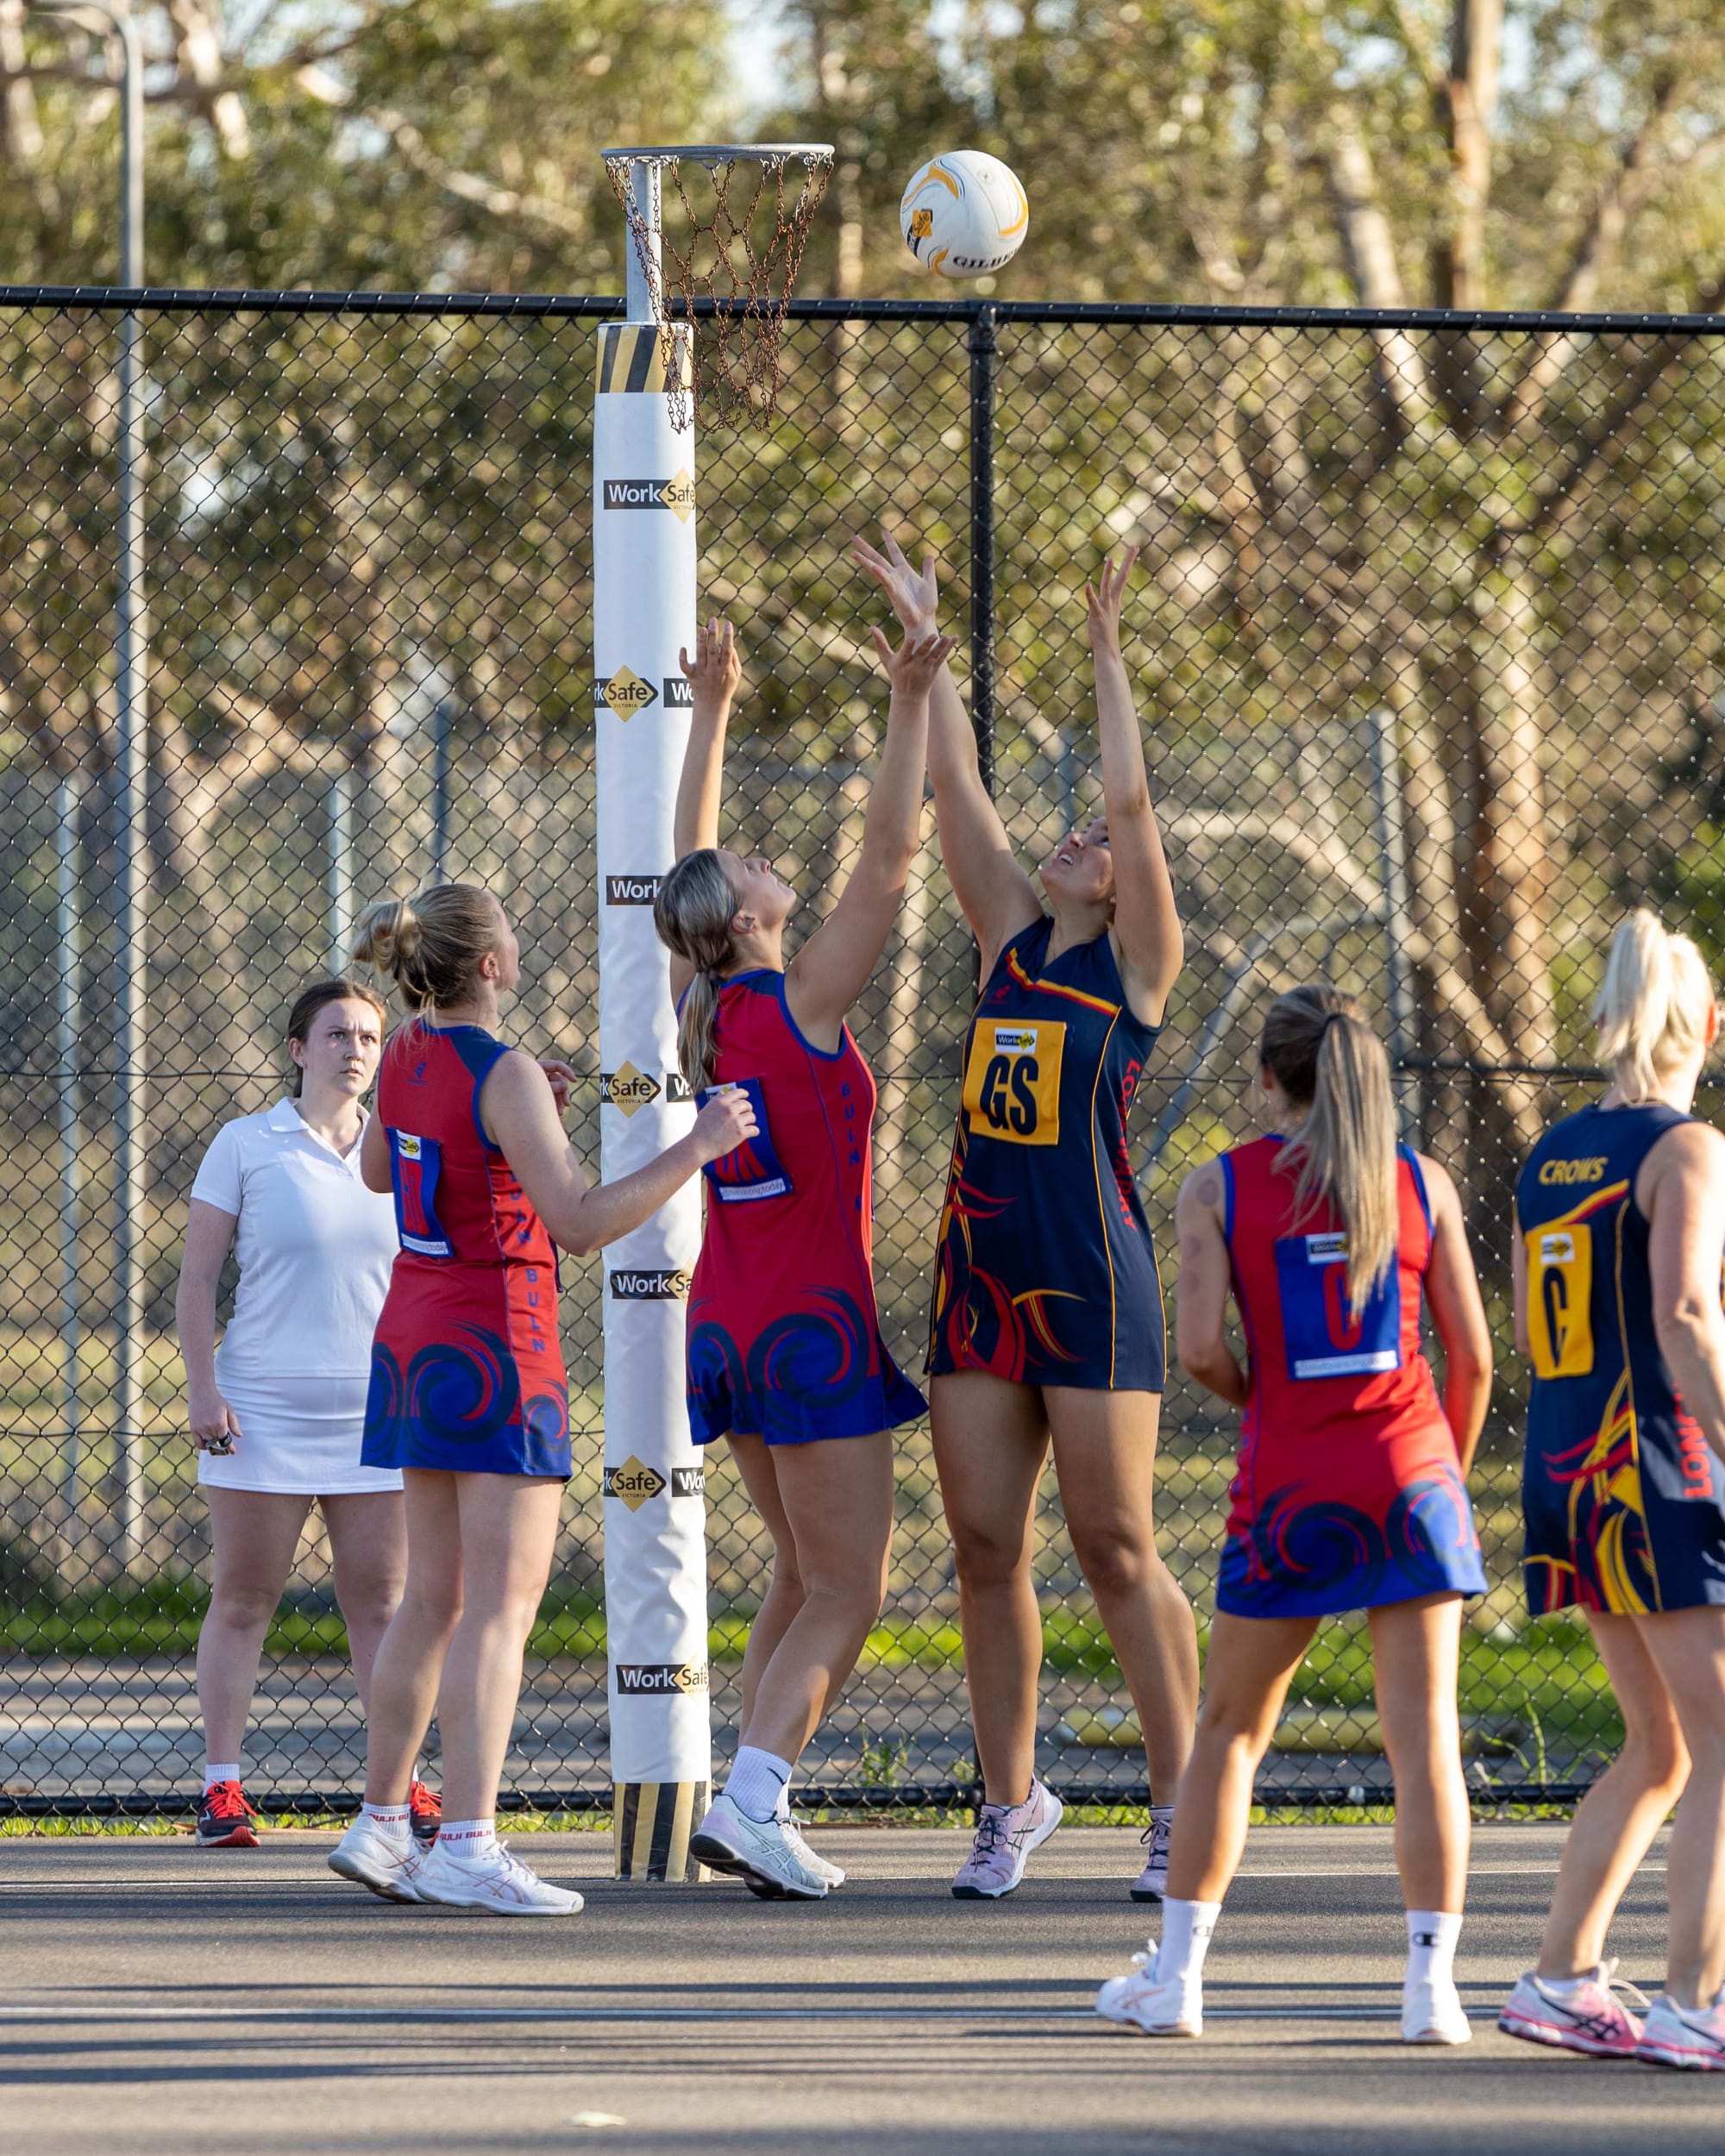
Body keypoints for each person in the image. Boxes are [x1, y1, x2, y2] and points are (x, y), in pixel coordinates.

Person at [852, 534, 1196, 1902]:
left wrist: (1107, 654)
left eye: (1099, 843)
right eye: (1079, 832)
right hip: (981, 1276)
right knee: (986, 1549)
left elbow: (1134, 800)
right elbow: (957, 786)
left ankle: (1182, 1803)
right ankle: (1010, 1806)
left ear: (1124, 878)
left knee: (1114, 1548)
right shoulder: (1009, 938)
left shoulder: (1137, 970)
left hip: (1091, 1278)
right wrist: (925, 655)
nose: (1082, 836)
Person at [327, 884, 755, 1915]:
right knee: (499, 1605)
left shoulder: (409, 1052)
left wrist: (516, 1126)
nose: (520, 941)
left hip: (416, 1338)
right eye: (509, 931)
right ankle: (467, 1841)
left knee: (433, 1598)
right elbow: (578, 1222)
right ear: (488, 965)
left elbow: (384, 1168)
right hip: (495, 1344)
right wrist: (696, 1146)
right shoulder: (501, 1068)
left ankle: (382, 1821)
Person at [1097, 986, 1492, 2043]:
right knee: (1425, 1740)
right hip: (1411, 1480)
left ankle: (1176, 1980)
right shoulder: (1420, 1180)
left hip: (1291, 1484)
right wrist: (1438, 1478)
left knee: (1227, 1731)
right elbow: (1472, 1357)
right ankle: (1430, 1992)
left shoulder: (1217, 1186)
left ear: (1269, 1078)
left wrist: (1264, 1397)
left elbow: (1197, 1350)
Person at [654, 607, 953, 1900]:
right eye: (753, 863)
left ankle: (747, 1798)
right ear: (745, 917)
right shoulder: (798, 997)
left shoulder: (701, 1003)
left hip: (729, 1320)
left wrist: (712, 711)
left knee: (800, 1568)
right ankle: (756, 1796)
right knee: (851, 1587)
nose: (764, 856)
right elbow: (889, 856)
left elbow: (684, 872)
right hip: (806, 1325)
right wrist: (907, 699)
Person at [1498, 912, 1725, 2070]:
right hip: (1654, 1470)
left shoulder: (1552, 1153)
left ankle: (1560, 1977)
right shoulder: (1685, 1149)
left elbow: (1553, 1327)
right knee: (1718, 1742)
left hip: (1566, 1466)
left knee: (1661, 1745)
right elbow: (1683, 1313)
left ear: (1599, 1017)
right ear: (1710, 1025)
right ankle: (1694, 2001)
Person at [176, 978, 423, 1851]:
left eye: (369, 1037)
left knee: (382, 1606)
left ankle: (399, 1791)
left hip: (377, 1415)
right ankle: (221, 1790)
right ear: (297, 1048)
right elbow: (197, 1280)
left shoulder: (403, 1149)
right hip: (259, 1413)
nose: (354, 1050)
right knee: (245, 1598)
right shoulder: (245, 1144)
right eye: (336, 1034)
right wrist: (204, 1388)